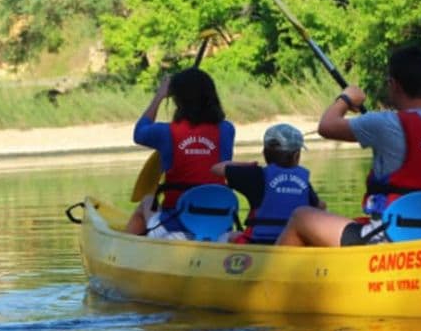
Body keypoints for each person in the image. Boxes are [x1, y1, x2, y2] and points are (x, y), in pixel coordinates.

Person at [276, 45, 421, 247]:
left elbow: (326, 126)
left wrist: (346, 99)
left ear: (394, 84)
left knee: (301, 216)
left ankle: (268, 278)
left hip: (386, 241)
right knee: (354, 222)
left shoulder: (384, 123)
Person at [126, 68, 235, 238]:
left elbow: (139, 132)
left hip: (176, 228)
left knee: (147, 202)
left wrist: (160, 96)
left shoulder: (165, 133)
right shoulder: (227, 130)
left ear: (177, 99)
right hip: (219, 228)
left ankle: (126, 251)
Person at [211, 123, 325, 244]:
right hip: (291, 243)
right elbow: (320, 206)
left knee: (228, 236)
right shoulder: (303, 180)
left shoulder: (254, 175)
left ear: (264, 152)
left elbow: (216, 168)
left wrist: (247, 165)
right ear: (297, 155)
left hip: (256, 242)